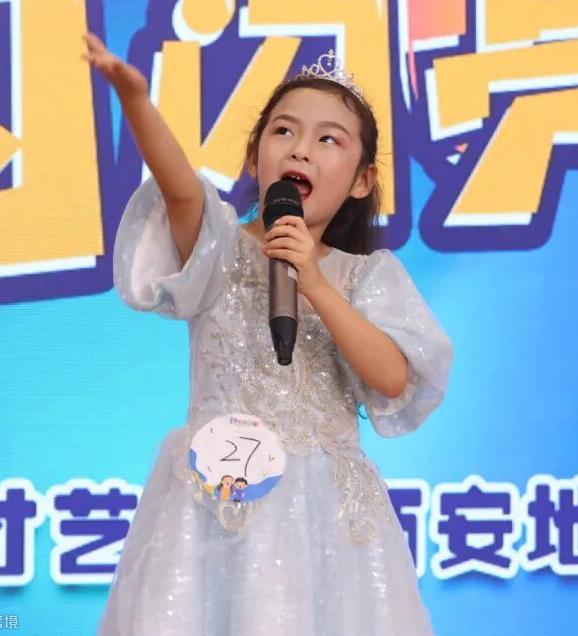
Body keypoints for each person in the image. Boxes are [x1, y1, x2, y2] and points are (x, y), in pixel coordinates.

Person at [82, 33, 454, 636]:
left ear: (362, 180)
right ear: (255, 157)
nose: (301, 148)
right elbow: (180, 187)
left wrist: (316, 283)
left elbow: (393, 378)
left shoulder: (364, 275)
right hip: (218, 502)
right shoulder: (220, 246)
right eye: (284, 131)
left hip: (328, 521)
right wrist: (137, 102)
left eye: (329, 139)